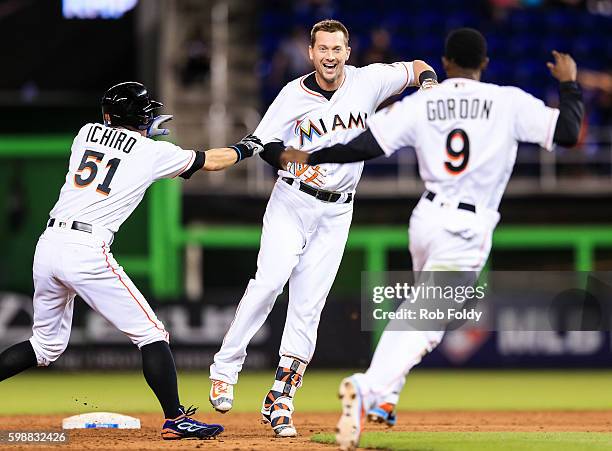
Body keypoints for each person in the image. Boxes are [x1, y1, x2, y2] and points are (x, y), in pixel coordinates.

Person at [281, 28, 584, 450]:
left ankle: (385, 397)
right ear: (486, 63)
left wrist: (313, 155)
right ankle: (367, 389)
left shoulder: (425, 101)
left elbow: (367, 144)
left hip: (425, 220)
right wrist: (569, 83)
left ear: (445, 63)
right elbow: (568, 132)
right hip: (465, 227)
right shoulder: (507, 101)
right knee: (426, 323)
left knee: (417, 308)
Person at [208, 19, 438, 438]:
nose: (330, 56)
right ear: (311, 53)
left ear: (347, 52)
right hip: (292, 202)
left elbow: (418, 67)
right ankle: (225, 369)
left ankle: (281, 399)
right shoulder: (292, 94)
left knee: (308, 308)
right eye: (322, 49)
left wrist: (429, 85)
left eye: (337, 48)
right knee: (268, 283)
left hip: (338, 213)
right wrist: (284, 160)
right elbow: (264, 143)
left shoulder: (369, 81)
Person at [0, 81, 262, 440]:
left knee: (44, 346)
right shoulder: (154, 151)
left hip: (48, 244)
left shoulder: (85, 133)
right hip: (86, 248)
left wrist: (139, 130)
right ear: (141, 116)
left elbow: (116, 141)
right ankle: (175, 419)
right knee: (152, 334)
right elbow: (212, 162)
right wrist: (246, 148)